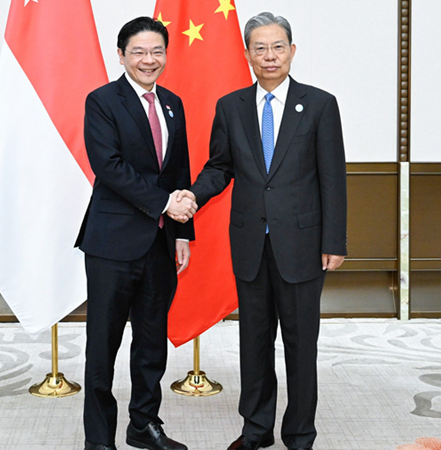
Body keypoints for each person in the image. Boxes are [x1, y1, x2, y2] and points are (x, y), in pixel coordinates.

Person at [173, 12, 347, 450]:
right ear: (248, 54)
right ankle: (255, 430)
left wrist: (334, 241)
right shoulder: (231, 106)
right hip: (250, 242)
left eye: (278, 47)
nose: (270, 56)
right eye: (260, 48)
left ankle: (300, 433)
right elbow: (220, 167)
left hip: (303, 244)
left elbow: (333, 178)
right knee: (254, 342)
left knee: (301, 345)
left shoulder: (319, 104)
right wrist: (193, 195)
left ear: (292, 50)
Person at [76, 16, 197, 450]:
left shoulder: (173, 104)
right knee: (103, 346)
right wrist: (165, 204)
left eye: (157, 51)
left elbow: (179, 171)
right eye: (139, 52)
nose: (149, 60)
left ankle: (143, 425)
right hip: (113, 243)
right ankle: (99, 439)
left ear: (166, 54)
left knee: (151, 344)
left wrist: (182, 231)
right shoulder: (102, 101)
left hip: (161, 243)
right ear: (121, 55)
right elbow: (109, 167)